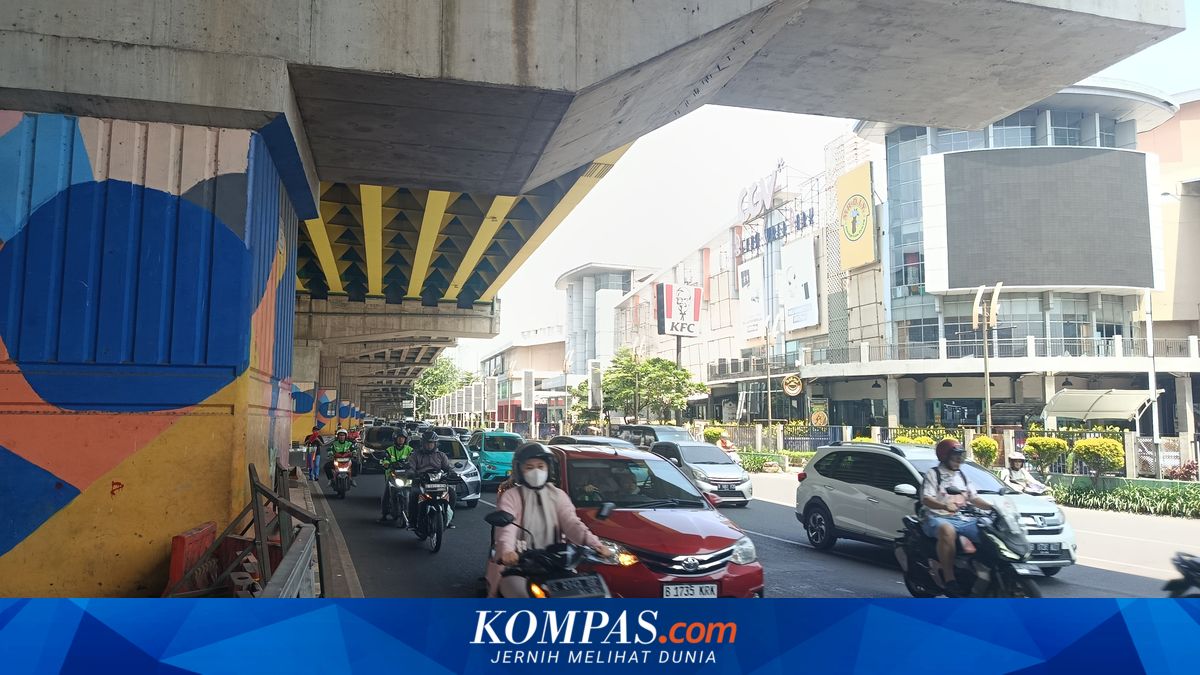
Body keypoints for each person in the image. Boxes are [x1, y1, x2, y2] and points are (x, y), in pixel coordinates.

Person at [486, 443, 614, 597]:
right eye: (529, 467)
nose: (536, 471)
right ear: (519, 470)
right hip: (519, 564)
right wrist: (508, 551)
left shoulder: (558, 495)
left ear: (548, 468)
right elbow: (507, 529)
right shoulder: (511, 496)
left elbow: (572, 523)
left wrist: (595, 545)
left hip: (557, 562)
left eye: (541, 466)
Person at [921, 438, 996, 595]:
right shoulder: (933, 474)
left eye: (960, 457)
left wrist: (992, 507)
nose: (958, 460)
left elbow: (973, 498)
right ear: (944, 457)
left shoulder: (961, 475)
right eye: (955, 457)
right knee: (947, 530)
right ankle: (950, 579)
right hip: (936, 517)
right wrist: (944, 506)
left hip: (961, 518)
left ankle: (983, 569)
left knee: (987, 530)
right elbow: (926, 499)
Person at [406, 430, 457, 528]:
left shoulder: (441, 455)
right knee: (413, 495)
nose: (429, 445)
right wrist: (411, 473)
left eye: (431, 443)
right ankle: (412, 521)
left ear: (435, 444)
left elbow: (447, 467)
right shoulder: (415, 455)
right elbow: (411, 468)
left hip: (438, 483)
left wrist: (452, 473)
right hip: (421, 482)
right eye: (427, 443)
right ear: (422, 443)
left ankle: (449, 519)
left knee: (452, 494)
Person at [378, 431, 414, 523]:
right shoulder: (389, 450)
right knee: (386, 494)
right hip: (392, 475)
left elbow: (414, 461)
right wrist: (386, 464)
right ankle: (384, 514)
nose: (401, 439)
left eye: (403, 438)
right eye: (399, 437)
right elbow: (385, 460)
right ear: (395, 439)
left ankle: (415, 514)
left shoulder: (410, 450)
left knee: (415, 493)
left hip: (406, 476)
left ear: (405, 439)